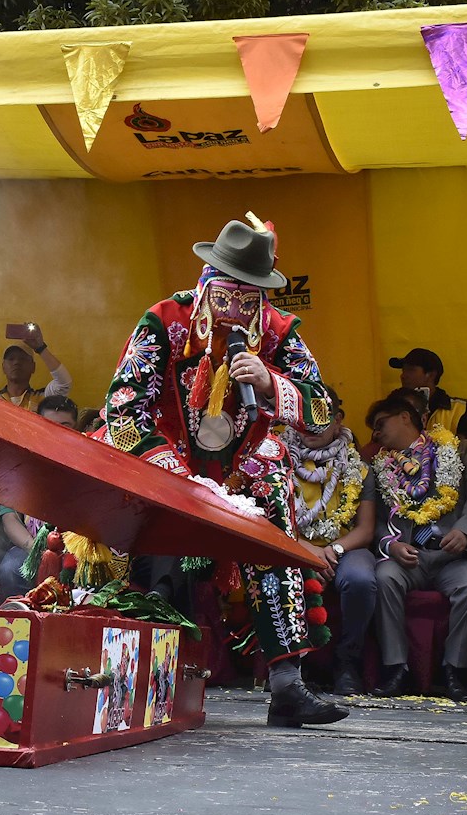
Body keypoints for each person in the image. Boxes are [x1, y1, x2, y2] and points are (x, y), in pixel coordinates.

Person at [100, 214, 346, 728]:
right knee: (136, 535)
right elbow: (122, 408)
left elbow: (321, 408)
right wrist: (170, 471)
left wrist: (272, 381)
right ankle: (128, 678)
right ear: (207, 277)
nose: (237, 303)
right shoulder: (164, 319)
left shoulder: (279, 331)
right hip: (167, 461)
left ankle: (287, 686)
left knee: (274, 523)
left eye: (250, 294)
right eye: (228, 289)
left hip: (244, 467)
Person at [365, 395, 467, 702]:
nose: (377, 434)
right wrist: (391, 545)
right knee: (384, 578)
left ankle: (455, 669)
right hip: (408, 556)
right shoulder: (377, 465)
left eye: (381, 424)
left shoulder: (458, 449)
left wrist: (465, 531)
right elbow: (375, 520)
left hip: (453, 553)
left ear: (405, 417)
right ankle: (396, 668)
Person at [277, 386, 375, 695]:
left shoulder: (357, 466)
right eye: (301, 418)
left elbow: (366, 528)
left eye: (318, 417)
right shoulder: (277, 460)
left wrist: (332, 549)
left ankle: (348, 662)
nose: (309, 426)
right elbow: (269, 516)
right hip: (290, 544)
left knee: (360, 579)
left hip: (345, 548)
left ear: (337, 419)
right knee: (279, 571)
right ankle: (290, 667)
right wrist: (306, 550)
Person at [0, 395, 80, 603]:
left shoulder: (87, 463)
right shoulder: (18, 462)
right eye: (49, 424)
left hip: (78, 550)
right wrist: (35, 549)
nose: (57, 431)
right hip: (31, 545)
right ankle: (17, 626)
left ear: (75, 428)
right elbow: (9, 518)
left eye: (65, 425)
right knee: (10, 570)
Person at [388, 347, 467, 446]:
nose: (403, 375)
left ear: (431, 375)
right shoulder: (392, 406)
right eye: (403, 370)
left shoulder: (459, 408)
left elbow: (466, 446)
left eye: (410, 370)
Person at [0, 322, 72, 411]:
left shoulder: (44, 399)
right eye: (11, 359)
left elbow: (64, 383)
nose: (16, 362)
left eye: (22, 359)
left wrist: (40, 348)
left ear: (33, 367)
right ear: (3, 367)